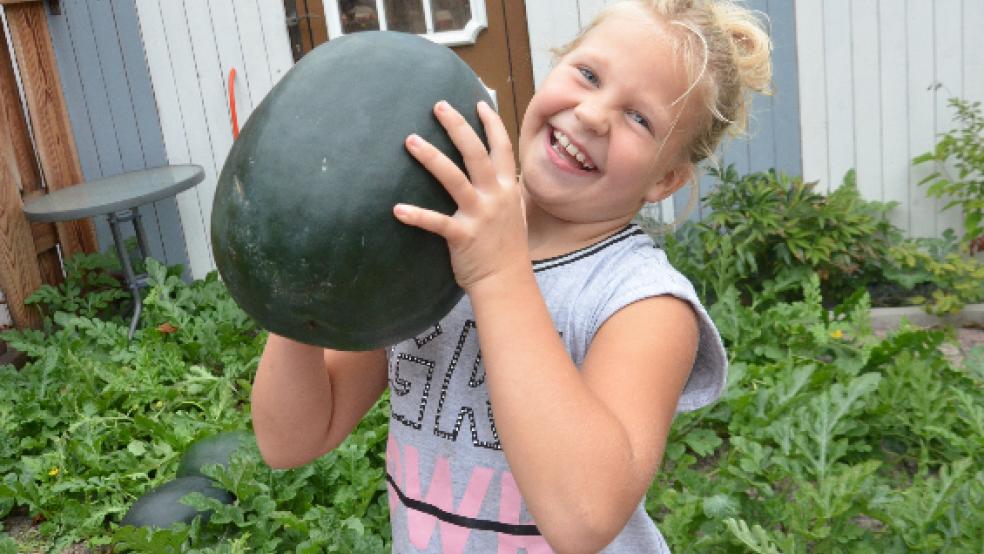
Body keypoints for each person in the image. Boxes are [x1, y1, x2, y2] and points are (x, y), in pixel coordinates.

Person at [251, 0, 772, 551]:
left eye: (639, 118)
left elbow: (584, 519)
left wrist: (499, 272)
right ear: (553, 67)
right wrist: (297, 266)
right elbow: (290, 441)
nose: (593, 114)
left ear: (665, 179)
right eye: (588, 75)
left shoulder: (644, 306)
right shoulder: (430, 239)